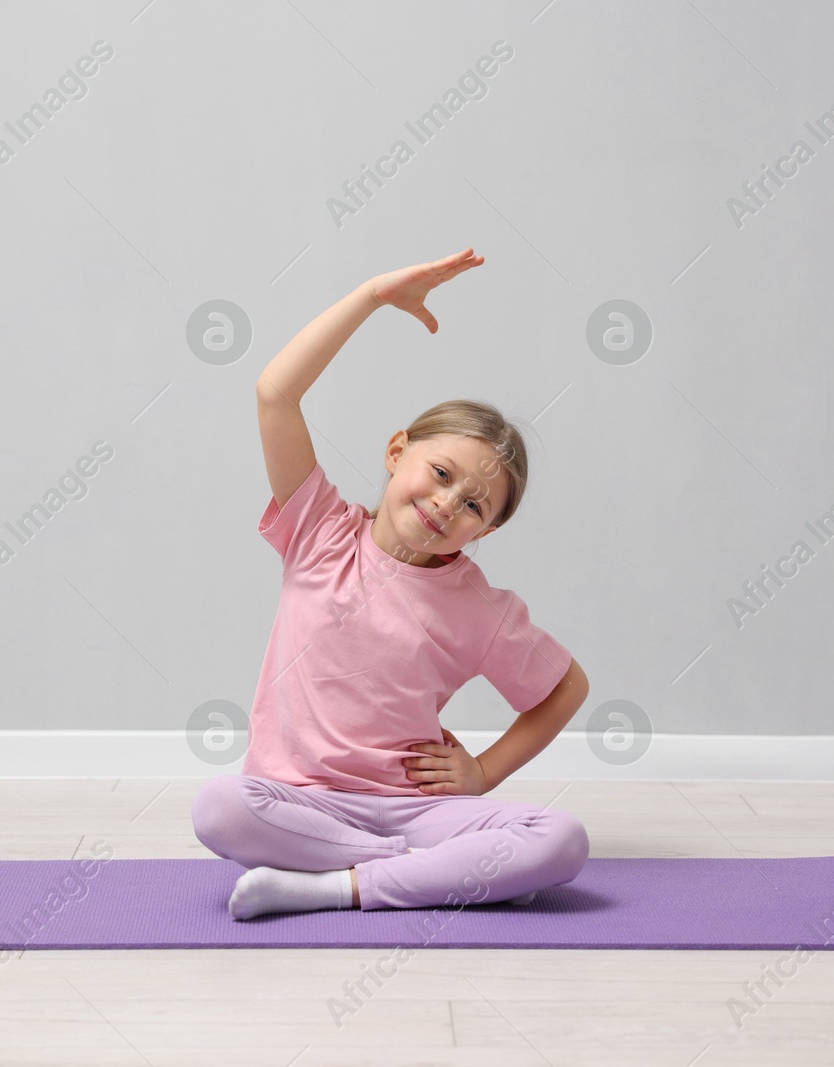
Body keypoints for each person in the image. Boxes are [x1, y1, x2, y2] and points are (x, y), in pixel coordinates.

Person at [191, 247, 591, 920]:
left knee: (562, 839)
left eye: (474, 506)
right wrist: (374, 294)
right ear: (396, 450)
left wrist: (484, 774)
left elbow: (566, 688)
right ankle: (437, 877)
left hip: (416, 810)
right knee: (220, 808)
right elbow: (274, 393)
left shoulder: (482, 609)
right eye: (441, 474)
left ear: (482, 533)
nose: (447, 504)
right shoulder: (319, 531)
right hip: (298, 802)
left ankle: (337, 886)